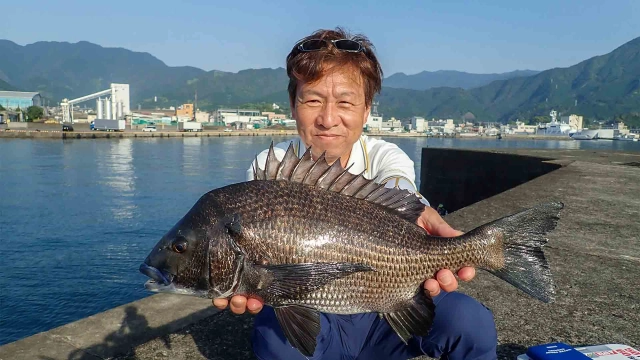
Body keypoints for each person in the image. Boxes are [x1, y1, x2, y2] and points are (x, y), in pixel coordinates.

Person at [213, 27, 497, 360]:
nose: (328, 118)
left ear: (366, 110)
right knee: (277, 343)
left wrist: (420, 211)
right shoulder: (270, 167)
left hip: (389, 299)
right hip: (313, 311)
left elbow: (399, 187)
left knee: (470, 321)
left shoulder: (385, 156)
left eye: (345, 102)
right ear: (293, 105)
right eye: (313, 100)